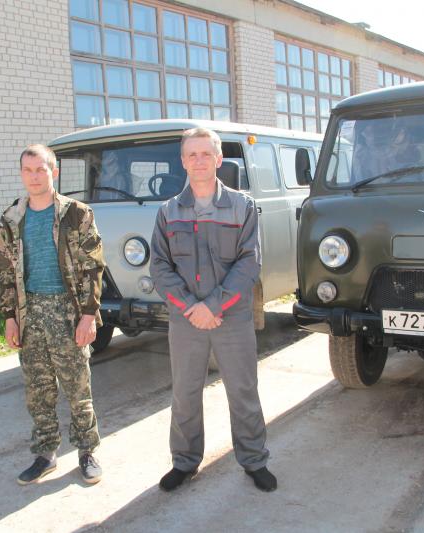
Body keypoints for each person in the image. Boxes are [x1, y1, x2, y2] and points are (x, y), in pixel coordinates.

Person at [150, 128, 277, 492]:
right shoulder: (168, 211)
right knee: (185, 393)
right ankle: (184, 462)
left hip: (231, 316)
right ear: (183, 161)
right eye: (192, 154)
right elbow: (160, 267)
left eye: (206, 153)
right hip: (187, 318)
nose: (200, 161)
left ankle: (254, 460)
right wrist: (193, 307)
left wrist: (214, 305)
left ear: (219, 159)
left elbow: (249, 263)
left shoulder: (242, 206)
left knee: (243, 391)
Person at [0, 144, 104, 486]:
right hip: (30, 313)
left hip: (67, 311)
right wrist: (10, 317)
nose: (35, 176)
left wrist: (88, 315)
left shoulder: (76, 214)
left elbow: (93, 267)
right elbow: (5, 271)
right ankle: (45, 454)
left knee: (77, 387)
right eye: (28, 170)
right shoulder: (12, 218)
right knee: (38, 390)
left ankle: (87, 452)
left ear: (54, 171)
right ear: (21, 174)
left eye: (41, 169)